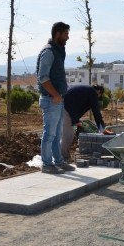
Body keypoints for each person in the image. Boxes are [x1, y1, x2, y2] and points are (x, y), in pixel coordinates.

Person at [36, 22, 75, 174]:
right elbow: (43, 77)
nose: (68, 37)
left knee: (57, 133)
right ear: (58, 34)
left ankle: (58, 161)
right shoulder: (49, 52)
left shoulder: (57, 51)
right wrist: (55, 94)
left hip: (57, 100)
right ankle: (46, 164)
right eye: (66, 34)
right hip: (51, 99)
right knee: (49, 133)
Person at [60, 84, 114, 161]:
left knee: (66, 134)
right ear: (99, 92)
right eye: (99, 96)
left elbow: (75, 105)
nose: (97, 98)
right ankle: (62, 158)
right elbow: (96, 112)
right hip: (65, 108)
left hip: (63, 106)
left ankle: (61, 156)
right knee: (68, 135)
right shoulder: (92, 93)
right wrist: (102, 129)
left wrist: (76, 120)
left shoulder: (86, 91)